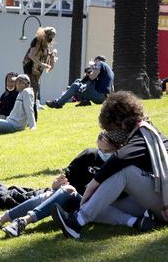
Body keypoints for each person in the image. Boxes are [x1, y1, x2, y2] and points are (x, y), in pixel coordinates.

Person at [0, 129, 153, 237]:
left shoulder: (121, 165)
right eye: (99, 148)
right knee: (50, 194)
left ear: (118, 149)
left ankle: (22, 221)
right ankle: (1, 220)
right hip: (72, 199)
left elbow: (116, 196)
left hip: (94, 205)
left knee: (63, 193)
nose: (101, 153)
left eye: (106, 151)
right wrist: (56, 184)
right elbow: (66, 177)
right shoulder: (89, 155)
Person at [52, 92, 168, 239]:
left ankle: (77, 221)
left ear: (123, 123)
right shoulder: (142, 133)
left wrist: (92, 186)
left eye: (112, 129)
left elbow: (119, 159)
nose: (111, 134)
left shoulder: (143, 135)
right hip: (156, 198)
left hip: (164, 199)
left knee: (124, 171)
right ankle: (140, 219)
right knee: (100, 200)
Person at [46, 55, 114, 108]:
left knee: (75, 86)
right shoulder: (109, 70)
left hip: (100, 97)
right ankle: (85, 101)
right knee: (78, 81)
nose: (94, 64)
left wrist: (89, 71)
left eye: (94, 62)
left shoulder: (100, 63)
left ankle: (58, 103)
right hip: (104, 97)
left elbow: (92, 77)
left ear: (97, 60)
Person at [22, 27, 57, 115]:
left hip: (38, 67)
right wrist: (43, 64)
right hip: (30, 65)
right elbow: (31, 55)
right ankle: (32, 107)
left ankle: (32, 104)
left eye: (52, 38)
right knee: (34, 85)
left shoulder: (46, 43)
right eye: (49, 37)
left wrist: (51, 60)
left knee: (35, 86)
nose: (50, 40)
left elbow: (46, 54)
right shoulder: (36, 41)